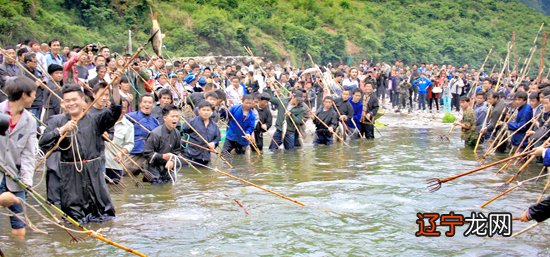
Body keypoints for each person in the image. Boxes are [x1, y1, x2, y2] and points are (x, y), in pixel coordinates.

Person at [39, 83, 121, 223]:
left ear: (82, 100)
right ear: (63, 103)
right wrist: (62, 130)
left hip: (93, 172)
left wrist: (116, 86)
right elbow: (43, 142)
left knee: (104, 215)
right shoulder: (57, 121)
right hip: (71, 175)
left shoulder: (95, 119)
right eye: (67, 101)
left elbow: (115, 111)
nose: (71, 103)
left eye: (74, 99)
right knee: (73, 218)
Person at [0, 76, 37, 236]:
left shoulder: (29, 121)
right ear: (24, 95)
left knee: (19, 224)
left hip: (15, 178)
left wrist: (27, 179)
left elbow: (29, 154)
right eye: (33, 93)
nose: (35, 97)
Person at [143, 104, 183, 184]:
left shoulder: (177, 133)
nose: (175, 119)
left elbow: (177, 151)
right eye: (172, 116)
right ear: (165, 118)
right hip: (154, 171)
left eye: (177, 116)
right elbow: (147, 154)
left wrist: (172, 161)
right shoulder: (155, 134)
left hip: (168, 169)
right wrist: (162, 156)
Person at [125, 94, 160, 175]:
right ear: (140, 104)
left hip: (147, 155)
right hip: (132, 153)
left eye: (150, 102)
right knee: (126, 176)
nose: (147, 104)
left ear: (153, 105)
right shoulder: (130, 117)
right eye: (145, 102)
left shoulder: (155, 122)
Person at [181, 101, 220, 165]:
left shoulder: (214, 126)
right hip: (190, 155)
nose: (206, 112)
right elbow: (182, 134)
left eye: (208, 110)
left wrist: (213, 143)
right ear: (199, 111)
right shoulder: (191, 122)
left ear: (211, 112)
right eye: (203, 110)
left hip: (205, 157)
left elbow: (217, 139)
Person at [105, 99, 134, 184]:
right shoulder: (103, 119)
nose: (121, 110)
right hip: (100, 163)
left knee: (115, 194)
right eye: (119, 107)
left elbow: (129, 144)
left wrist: (121, 153)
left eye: (124, 108)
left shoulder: (129, 126)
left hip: (115, 164)